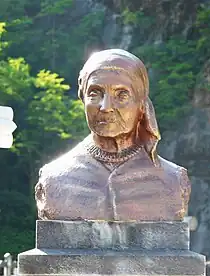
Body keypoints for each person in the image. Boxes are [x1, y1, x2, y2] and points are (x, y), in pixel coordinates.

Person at [35, 49, 191, 221]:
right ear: (83, 99)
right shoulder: (55, 177)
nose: (105, 106)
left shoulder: (173, 180)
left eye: (121, 94)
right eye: (95, 93)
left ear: (141, 104)